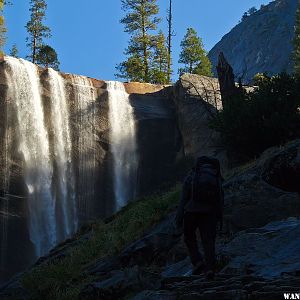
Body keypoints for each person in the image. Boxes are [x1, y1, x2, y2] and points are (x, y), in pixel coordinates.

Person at [175, 156, 224, 279]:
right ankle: (210, 269)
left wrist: (178, 218)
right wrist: (219, 217)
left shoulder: (192, 175)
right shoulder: (216, 177)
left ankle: (198, 262)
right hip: (209, 213)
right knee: (208, 241)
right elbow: (220, 199)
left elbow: (183, 200)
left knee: (189, 237)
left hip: (191, 212)